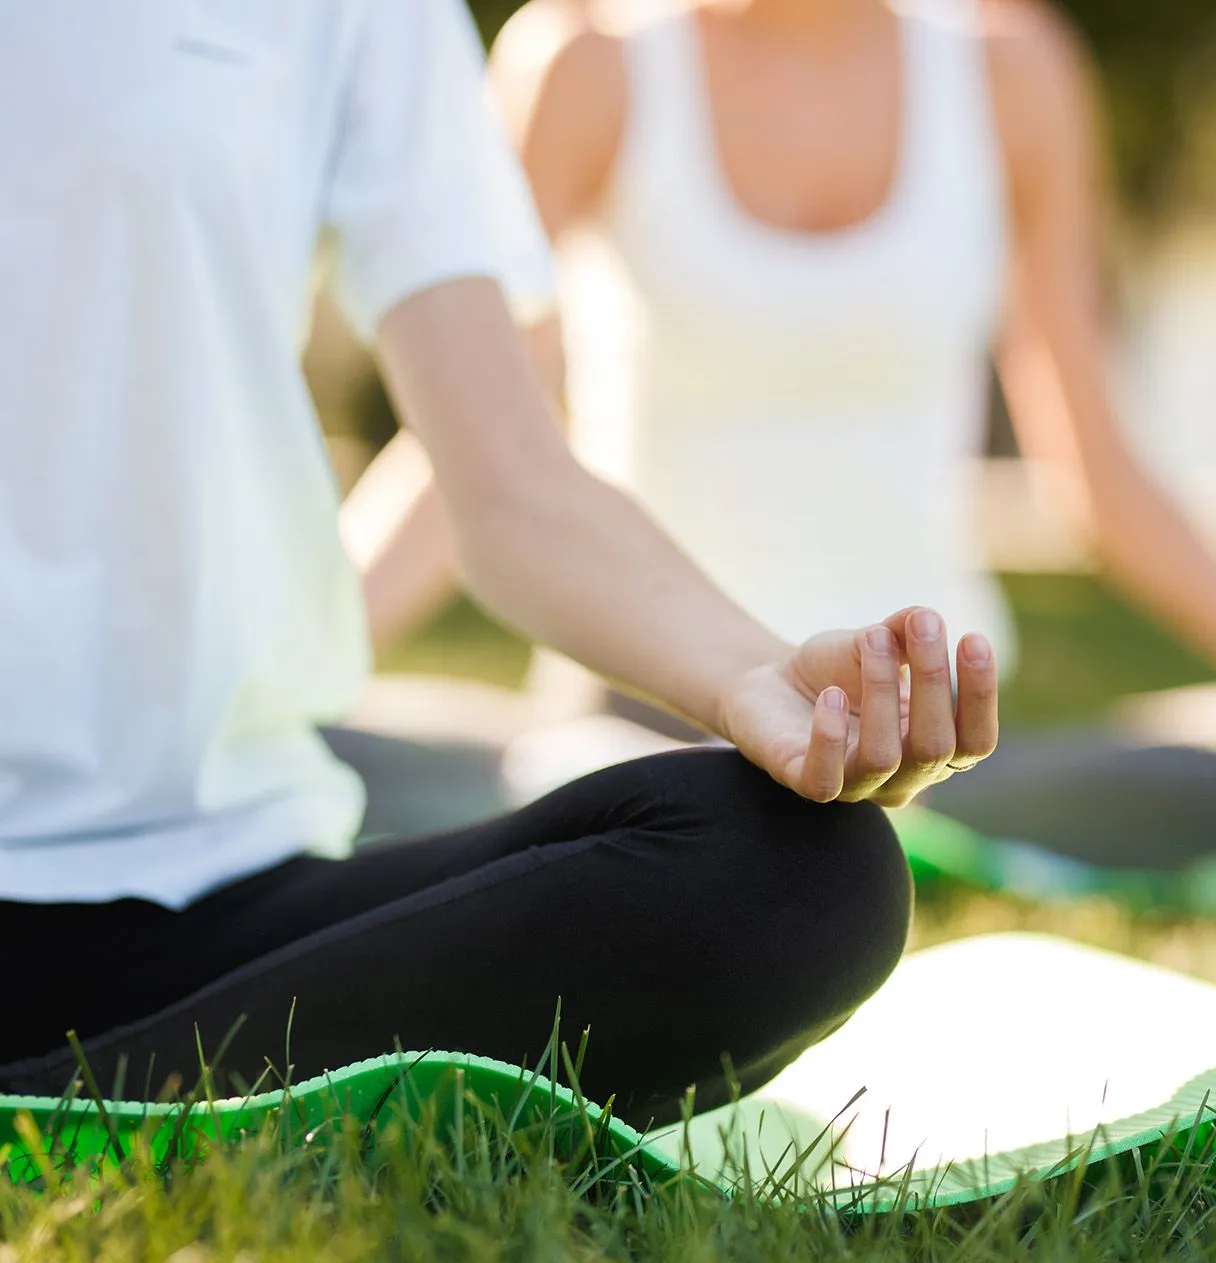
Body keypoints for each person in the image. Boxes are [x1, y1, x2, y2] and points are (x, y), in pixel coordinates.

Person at [0, 0, 996, 1127]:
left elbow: (508, 478)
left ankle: (56, 1105)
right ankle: (103, 1112)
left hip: (223, 883)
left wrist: (760, 679)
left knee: (804, 875)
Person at [346, 0, 1216, 879]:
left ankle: (818, 842)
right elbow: (477, 455)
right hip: (646, 734)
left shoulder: (1009, 73)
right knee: (643, 807)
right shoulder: (587, 62)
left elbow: (1095, 468)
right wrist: (273, 672)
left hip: (938, 754)